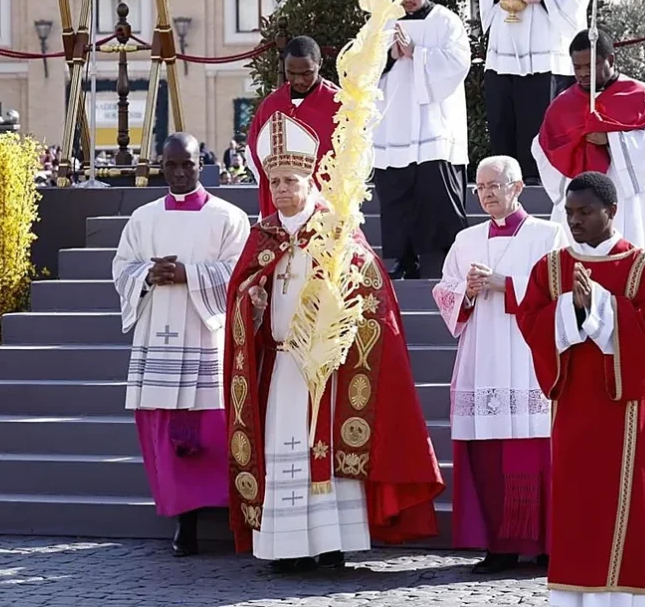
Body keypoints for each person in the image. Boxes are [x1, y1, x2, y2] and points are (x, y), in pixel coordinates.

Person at [224, 118, 443, 572]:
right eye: (274, 182)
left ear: (310, 181)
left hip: (330, 368)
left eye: (290, 181)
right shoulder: (263, 235)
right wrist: (254, 301)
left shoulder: (336, 232)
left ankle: (331, 543)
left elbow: (372, 290)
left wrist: (337, 310)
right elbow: (242, 292)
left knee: (324, 449)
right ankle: (285, 547)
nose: (281, 190)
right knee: (285, 450)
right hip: (282, 365)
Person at [515, 171, 645, 607]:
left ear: (611, 211)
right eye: (570, 212)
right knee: (578, 509)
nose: (574, 221)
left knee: (635, 510)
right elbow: (531, 323)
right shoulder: (550, 269)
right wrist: (571, 308)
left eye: (585, 212)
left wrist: (598, 306)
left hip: (631, 410)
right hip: (574, 410)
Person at [112, 132, 250, 557]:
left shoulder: (228, 217)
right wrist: (147, 276)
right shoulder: (144, 218)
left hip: (206, 334)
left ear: (200, 164)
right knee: (166, 430)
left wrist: (189, 274)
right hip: (158, 332)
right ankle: (183, 521)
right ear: (161, 166)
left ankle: (234, 515)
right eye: (170, 165)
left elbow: (241, 271)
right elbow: (122, 267)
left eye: (186, 164)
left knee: (213, 429)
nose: (178, 172)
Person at [432, 155, 566, 574]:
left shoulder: (549, 234)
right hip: (482, 356)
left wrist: (505, 285)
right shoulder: (466, 239)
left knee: (537, 453)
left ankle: (548, 545)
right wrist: (467, 291)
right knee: (489, 458)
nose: (487, 193)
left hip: (529, 356)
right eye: (480, 187)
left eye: (495, 185)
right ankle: (500, 546)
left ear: (518, 187)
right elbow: (444, 290)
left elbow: (561, 289)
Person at [534, 28, 645, 281]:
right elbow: (543, 147)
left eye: (590, 66)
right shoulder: (563, 103)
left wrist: (612, 140)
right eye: (577, 67)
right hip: (583, 193)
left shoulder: (642, 95)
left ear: (611, 60)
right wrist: (576, 140)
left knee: (636, 278)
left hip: (631, 199)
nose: (583, 73)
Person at [474, 0, 591, 183]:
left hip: (544, 39)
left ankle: (541, 185)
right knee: (503, 119)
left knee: (538, 121)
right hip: (506, 39)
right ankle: (503, 184)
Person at [373, 0, 470, 280]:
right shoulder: (384, 22)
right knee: (397, 195)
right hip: (394, 124)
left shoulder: (446, 21)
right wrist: (390, 55)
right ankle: (402, 257)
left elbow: (459, 63)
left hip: (434, 125)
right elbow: (363, 67)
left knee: (437, 194)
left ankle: (447, 259)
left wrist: (418, 53)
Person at [246, 35, 339, 217]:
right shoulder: (272, 104)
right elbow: (254, 153)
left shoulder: (338, 103)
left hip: (327, 204)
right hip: (282, 204)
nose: (298, 80)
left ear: (319, 64)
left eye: (306, 73)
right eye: (291, 73)